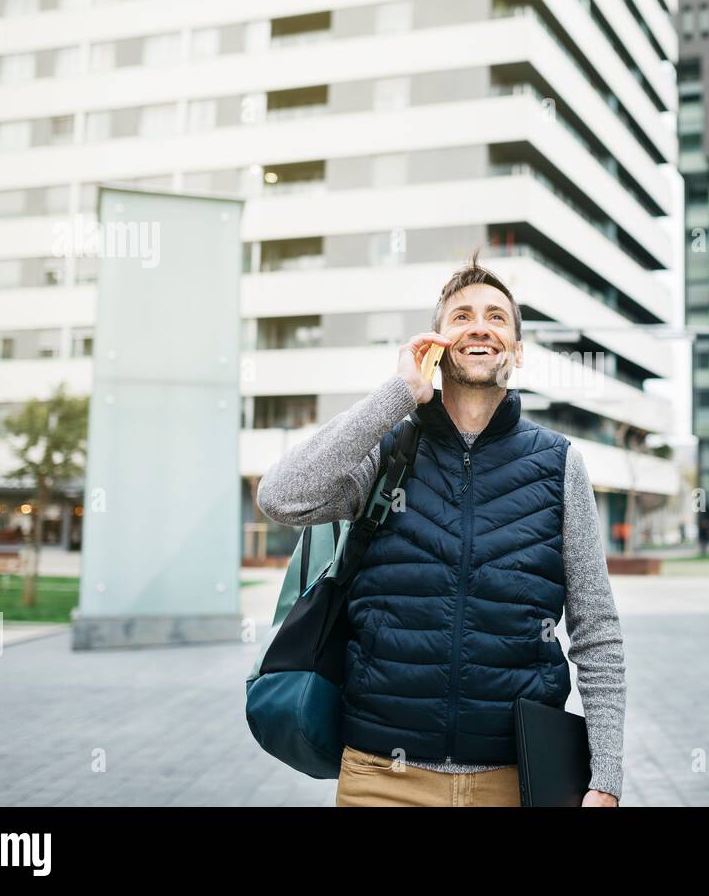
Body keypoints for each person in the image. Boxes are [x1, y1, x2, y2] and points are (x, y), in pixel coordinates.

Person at [257, 253, 625, 807]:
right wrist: (399, 393)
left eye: (498, 317)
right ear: (436, 342)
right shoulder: (387, 454)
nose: (481, 325)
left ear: (517, 352)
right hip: (382, 776)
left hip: (515, 779)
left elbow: (596, 630)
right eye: (462, 316)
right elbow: (281, 496)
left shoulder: (559, 463)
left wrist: (606, 776)